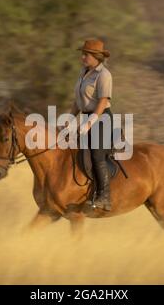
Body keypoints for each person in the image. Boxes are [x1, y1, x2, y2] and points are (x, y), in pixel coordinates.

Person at [68, 38, 113, 211]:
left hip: (101, 119)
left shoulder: (104, 75)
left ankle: (104, 197)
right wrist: (69, 120)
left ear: (96, 57)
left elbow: (102, 102)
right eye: (82, 54)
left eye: (86, 55)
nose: (83, 58)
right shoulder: (83, 72)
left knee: (96, 154)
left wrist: (89, 124)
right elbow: (77, 101)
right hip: (85, 117)